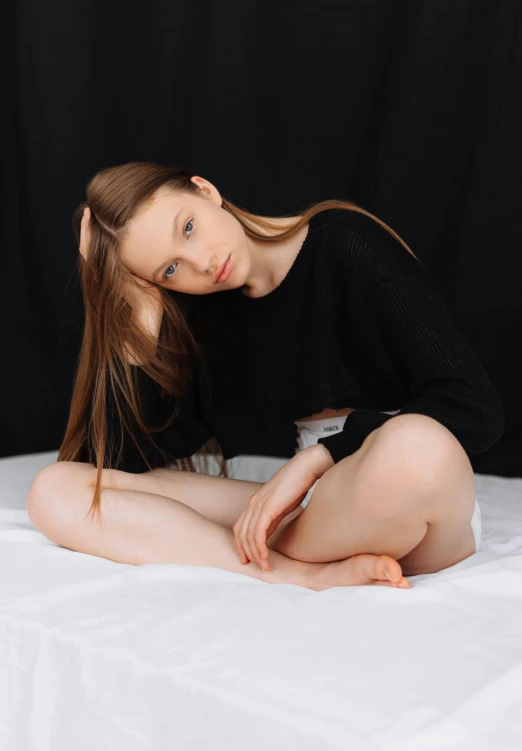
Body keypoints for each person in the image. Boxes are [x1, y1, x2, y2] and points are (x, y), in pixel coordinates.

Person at [26, 162, 504, 592]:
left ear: (205, 189)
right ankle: (301, 575)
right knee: (56, 489)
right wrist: (136, 314)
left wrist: (316, 459)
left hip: (406, 492)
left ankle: (288, 556)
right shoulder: (211, 318)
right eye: (171, 269)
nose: (203, 264)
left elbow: (474, 409)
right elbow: (117, 467)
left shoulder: (343, 241)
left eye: (188, 228)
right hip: (315, 513)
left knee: (416, 446)